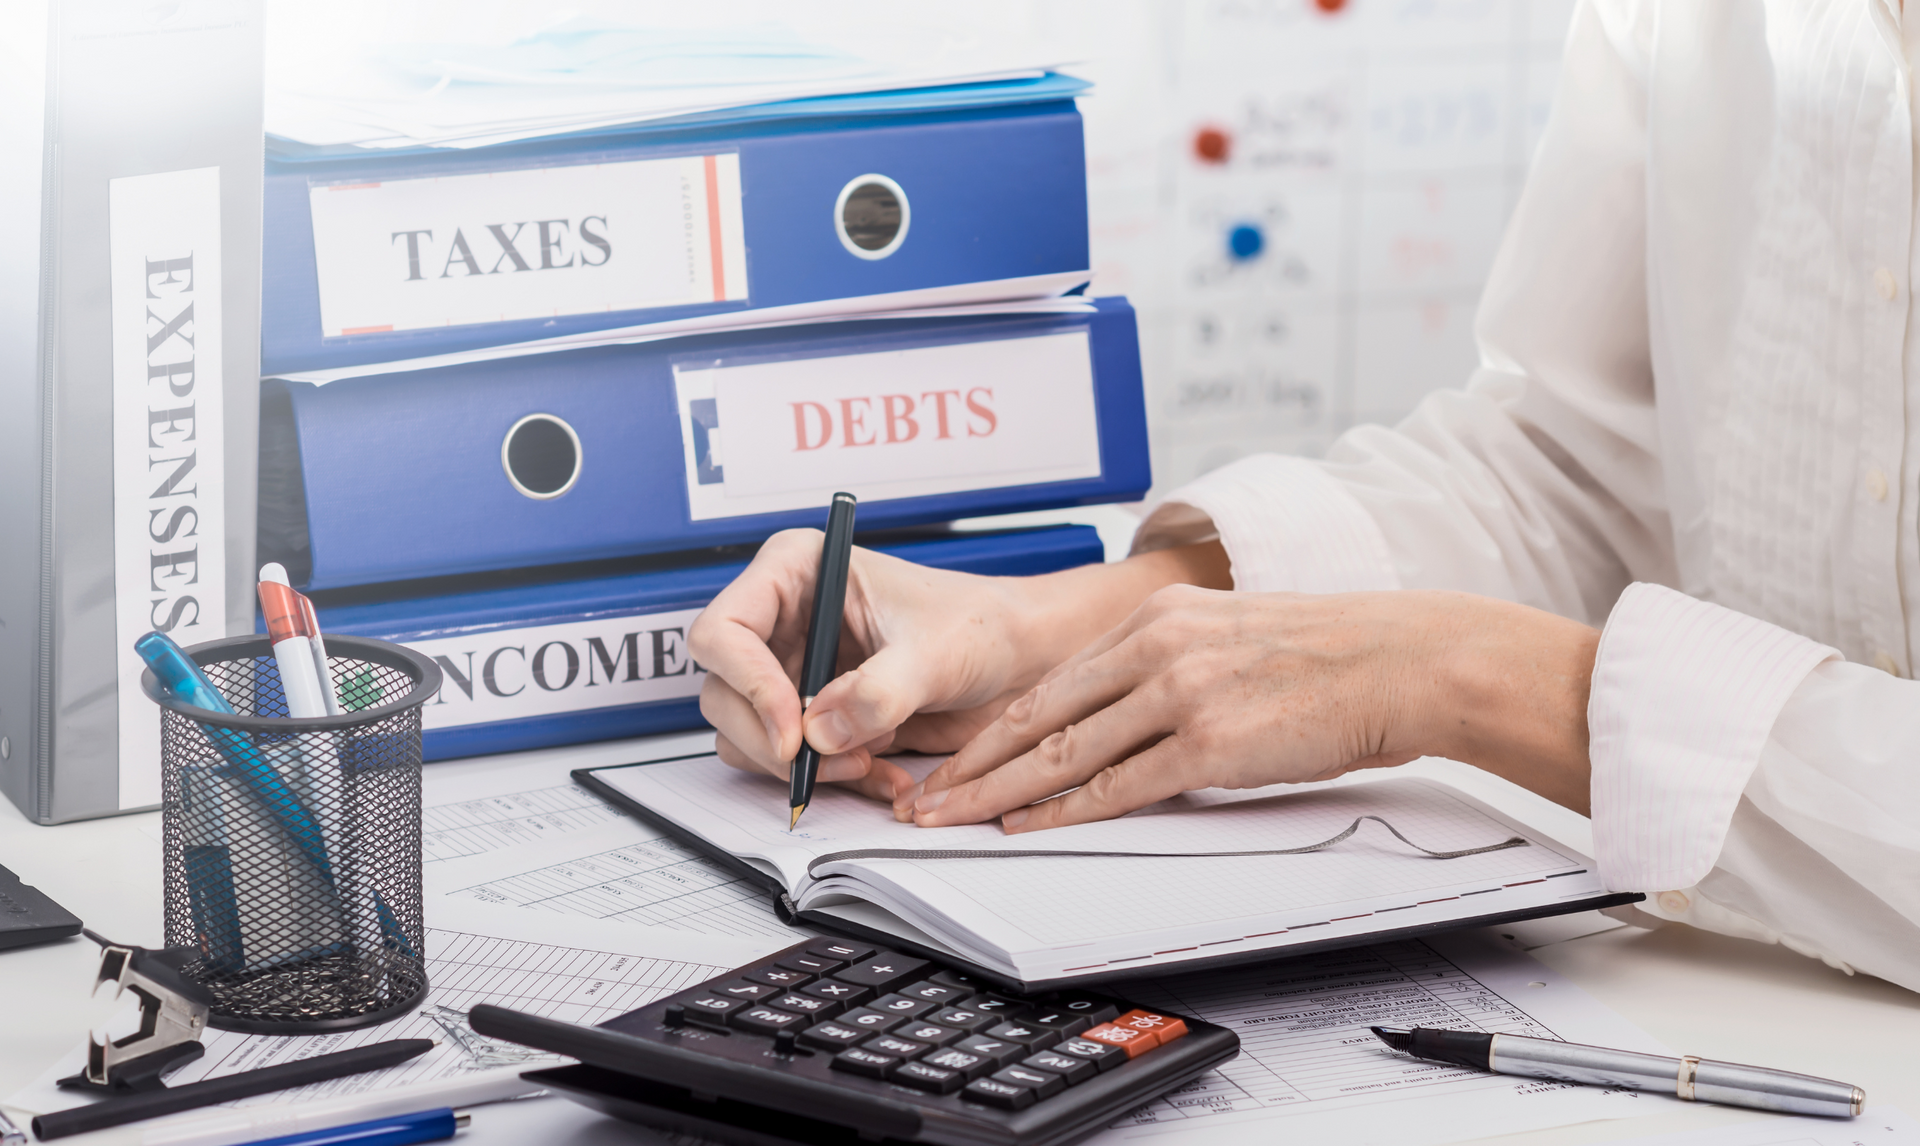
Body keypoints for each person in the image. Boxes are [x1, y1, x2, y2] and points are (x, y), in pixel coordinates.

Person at [688, 0, 1920, 994]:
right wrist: (1077, 628)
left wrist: (1473, 683)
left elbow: (1479, 644)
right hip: (1732, 994)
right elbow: (1578, 467)